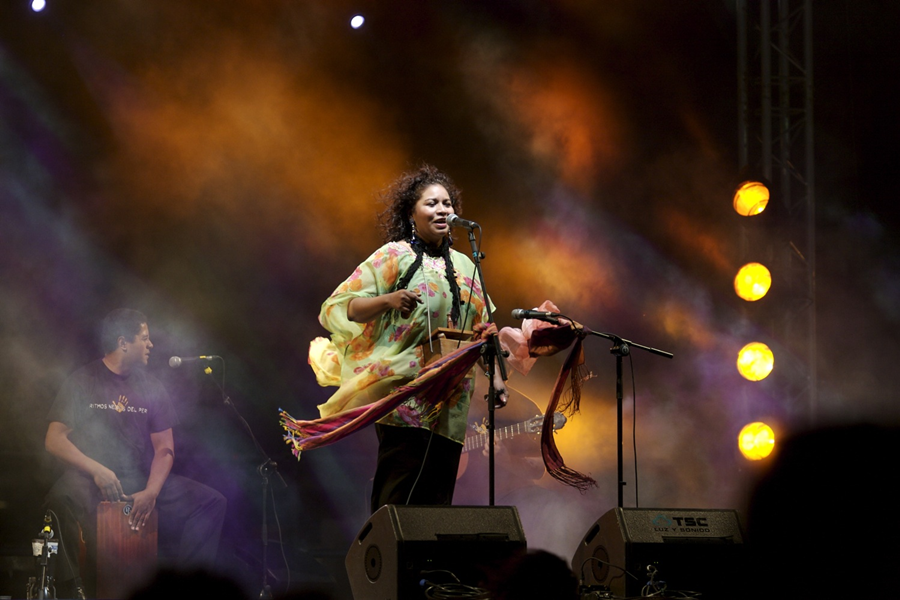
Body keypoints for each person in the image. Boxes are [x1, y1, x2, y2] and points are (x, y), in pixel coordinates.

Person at [309, 164, 507, 513]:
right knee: (399, 493)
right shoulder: (394, 256)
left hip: (451, 399)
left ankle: (428, 569)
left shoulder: (465, 266)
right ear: (411, 213)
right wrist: (389, 299)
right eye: (432, 203)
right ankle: (389, 562)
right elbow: (343, 307)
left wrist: (498, 379)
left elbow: (484, 329)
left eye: (447, 203)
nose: (443, 210)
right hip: (404, 394)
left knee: (437, 498)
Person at [44, 309, 227, 597]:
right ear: (123, 342)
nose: (150, 345)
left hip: (139, 480)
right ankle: (72, 591)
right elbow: (54, 439)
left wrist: (152, 491)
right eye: (144, 338)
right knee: (58, 500)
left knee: (210, 503)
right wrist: (97, 470)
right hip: (93, 478)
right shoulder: (84, 380)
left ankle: (188, 589)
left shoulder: (151, 387)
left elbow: (165, 449)